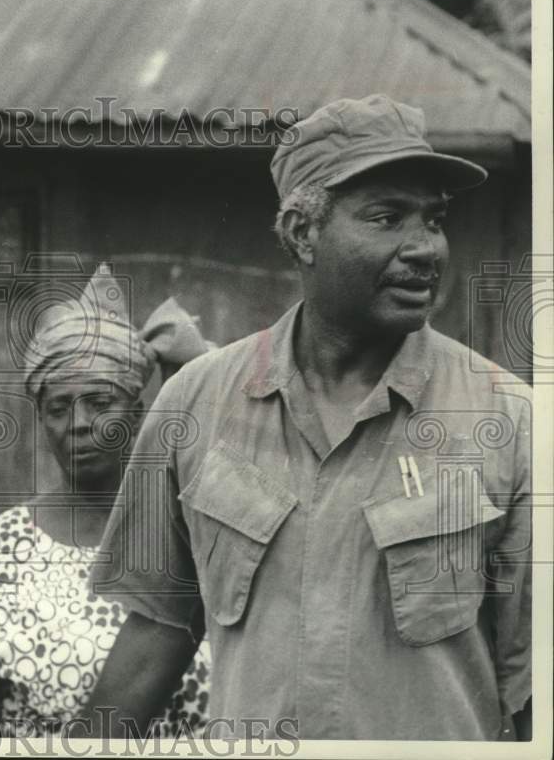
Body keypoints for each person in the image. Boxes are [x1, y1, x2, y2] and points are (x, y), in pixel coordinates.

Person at [81, 95, 532, 741]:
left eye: (433, 219)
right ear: (302, 233)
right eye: (387, 217)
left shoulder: (509, 422)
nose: (425, 247)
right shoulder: (194, 405)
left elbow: (533, 683)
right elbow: (157, 629)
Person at [0, 266, 213, 736]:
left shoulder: (191, 535)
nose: (78, 422)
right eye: (58, 407)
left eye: (99, 402)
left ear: (136, 413)